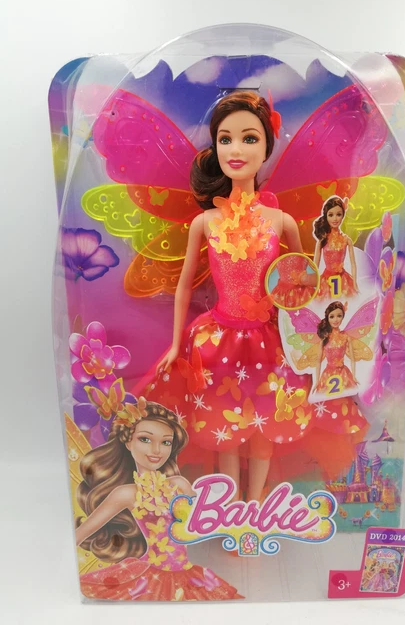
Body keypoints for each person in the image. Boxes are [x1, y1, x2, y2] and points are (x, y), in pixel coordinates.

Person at [135, 92, 368, 496]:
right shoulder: (205, 221)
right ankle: (229, 503)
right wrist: (175, 345)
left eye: (249, 138)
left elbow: (302, 283)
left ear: (266, 148)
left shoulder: (280, 221)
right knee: (224, 426)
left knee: (267, 422)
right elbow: (184, 285)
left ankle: (256, 503)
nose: (236, 150)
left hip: (271, 342)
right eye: (225, 139)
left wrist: (319, 330)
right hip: (217, 341)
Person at [76, 398, 242, 601]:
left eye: (165, 442)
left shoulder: (179, 484)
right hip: (151, 574)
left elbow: (203, 523)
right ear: (128, 442)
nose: (156, 450)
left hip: (186, 572)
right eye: (145, 439)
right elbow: (81, 533)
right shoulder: (127, 493)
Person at [314, 196, 358, 300]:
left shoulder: (346, 240)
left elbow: (353, 263)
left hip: (343, 279)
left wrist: (354, 282)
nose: (335, 219)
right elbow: (315, 264)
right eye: (331, 215)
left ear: (343, 215)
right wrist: (314, 283)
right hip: (326, 280)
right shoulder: (322, 240)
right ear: (326, 216)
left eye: (338, 214)